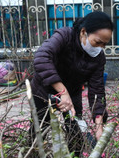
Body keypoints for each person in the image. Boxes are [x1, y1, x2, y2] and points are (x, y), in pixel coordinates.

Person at [31, 11, 113, 155]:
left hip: (72, 93)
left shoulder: (98, 58)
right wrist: (63, 92)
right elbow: (41, 58)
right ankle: (33, 153)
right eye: (98, 42)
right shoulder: (65, 36)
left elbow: (97, 90)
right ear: (84, 32)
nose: (101, 48)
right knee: (39, 129)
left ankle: (75, 154)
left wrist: (99, 126)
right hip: (44, 90)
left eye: (104, 44)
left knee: (75, 129)